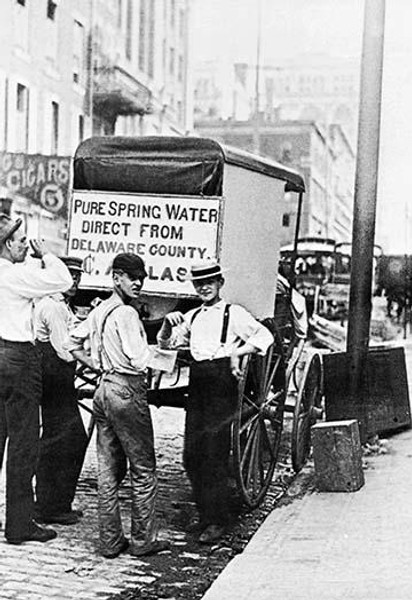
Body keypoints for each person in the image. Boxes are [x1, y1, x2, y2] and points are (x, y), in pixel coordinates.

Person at [157, 260, 274, 544]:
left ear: (220, 283)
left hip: (222, 385)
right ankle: (205, 514)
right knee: (191, 455)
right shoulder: (193, 316)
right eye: (199, 283)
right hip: (198, 384)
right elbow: (165, 345)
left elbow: (265, 336)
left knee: (214, 454)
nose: (204, 287)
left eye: (209, 281)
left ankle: (218, 520)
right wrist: (165, 324)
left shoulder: (233, 314)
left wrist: (238, 353)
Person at [67, 253, 170, 559]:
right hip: (127, 391)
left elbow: (71, 343)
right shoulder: (126, 314)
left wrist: (98, 365)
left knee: (108, 471)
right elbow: (140, 360)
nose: (138, 282)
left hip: (103, 389)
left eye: (141, 277)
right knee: (143, 469)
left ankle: (110, 541)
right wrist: (167, 352)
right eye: (131, 277)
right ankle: (142, 541)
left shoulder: (99, 312)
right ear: (116, 278)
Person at [0, 213, 73, 545]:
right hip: (18, 358)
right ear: (7, 245)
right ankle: (18, 525)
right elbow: (63, 281)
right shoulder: (15, 275)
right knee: (24, 443)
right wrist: (46, 254)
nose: (25, 247)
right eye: (20, 241)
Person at [34, 256, 89, 525]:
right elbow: (65, 351)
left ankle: (55, 503)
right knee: (64, 439)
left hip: (57, 378)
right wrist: (90, 358)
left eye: (78, 276)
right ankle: (49, 507)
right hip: (54, 377)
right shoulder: (53, 307)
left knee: (66, 438)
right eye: (70, 275)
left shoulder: (61, 305)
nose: (74, 281)